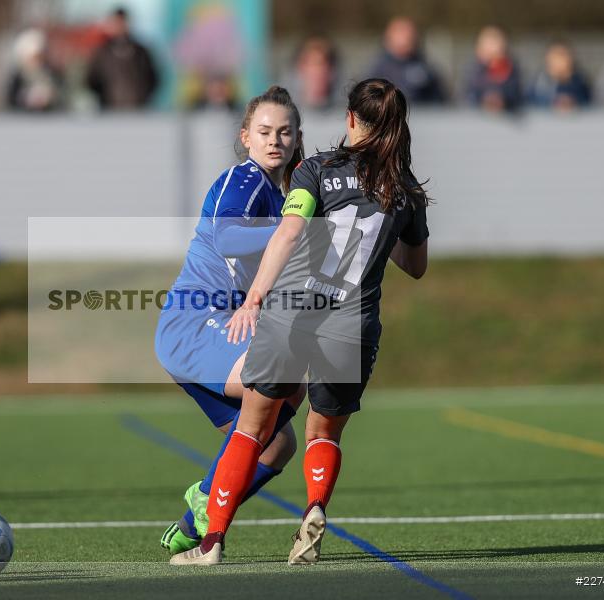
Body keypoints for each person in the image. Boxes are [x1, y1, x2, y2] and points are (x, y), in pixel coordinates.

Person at [169, 78, 429, 565]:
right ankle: (313, 507)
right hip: (352, 324)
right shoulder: (406, 188)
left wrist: (256, 298)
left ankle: (211, 542)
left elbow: (289, 233)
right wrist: (386, 222)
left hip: (291, 313)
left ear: (350, 118)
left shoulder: (317, 169)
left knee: (251, 427)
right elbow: (415, 266)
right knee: (323, 434)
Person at [155, 86, 306, 555]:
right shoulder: (245, 180)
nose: (273, 140)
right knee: (277, 383)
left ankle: (192, 524)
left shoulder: (282, 196)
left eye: (284, 132)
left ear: (297, 139)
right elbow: (226, 237)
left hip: (219, 329)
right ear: (246, 136)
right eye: (263, 131)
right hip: (194, 325)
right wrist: (289, 230)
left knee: (277, 444)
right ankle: (205, 501)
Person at [85, 7, 159, 110]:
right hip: (110, 110)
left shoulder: (141, 52)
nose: (120, 26)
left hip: (138, 111)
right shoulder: (102, 53)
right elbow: (91, 80)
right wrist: (103, 97)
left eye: (122, 22)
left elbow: (153, 78)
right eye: (116, 22)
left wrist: (143, 96)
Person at [365, 17, 446, 105]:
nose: (405, 39)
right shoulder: (377, 70)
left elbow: (440, 99)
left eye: (410, 35)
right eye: (400, 32)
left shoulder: (426, 69)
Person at [464, 25, 523, 112]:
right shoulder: (471, 72)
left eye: (495, 41)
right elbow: (465, 98)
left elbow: (517, 96)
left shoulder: (513, 73)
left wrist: (503, 100)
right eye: (488, 42)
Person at [6, 28, 63, 112]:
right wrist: (26, 99)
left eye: (38, 56)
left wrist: (50, 98)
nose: (36, 61)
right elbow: (10, 99)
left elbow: (62, 95)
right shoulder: (18, 77)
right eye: (33, 57)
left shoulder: (52, 74)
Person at [527, 40, 591, 111]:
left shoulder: (580, 83)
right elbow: (530, 103)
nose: (558, 60)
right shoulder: (538, 83)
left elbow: (588, 102)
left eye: (562, 55)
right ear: (547, 58)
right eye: (555, 55)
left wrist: (573, 102)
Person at [287, 36, 340, 111]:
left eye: (323, 63)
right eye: (312, 63)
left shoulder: (346, 114)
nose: (318, 71)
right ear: (300, 67)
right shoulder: (285, 111)